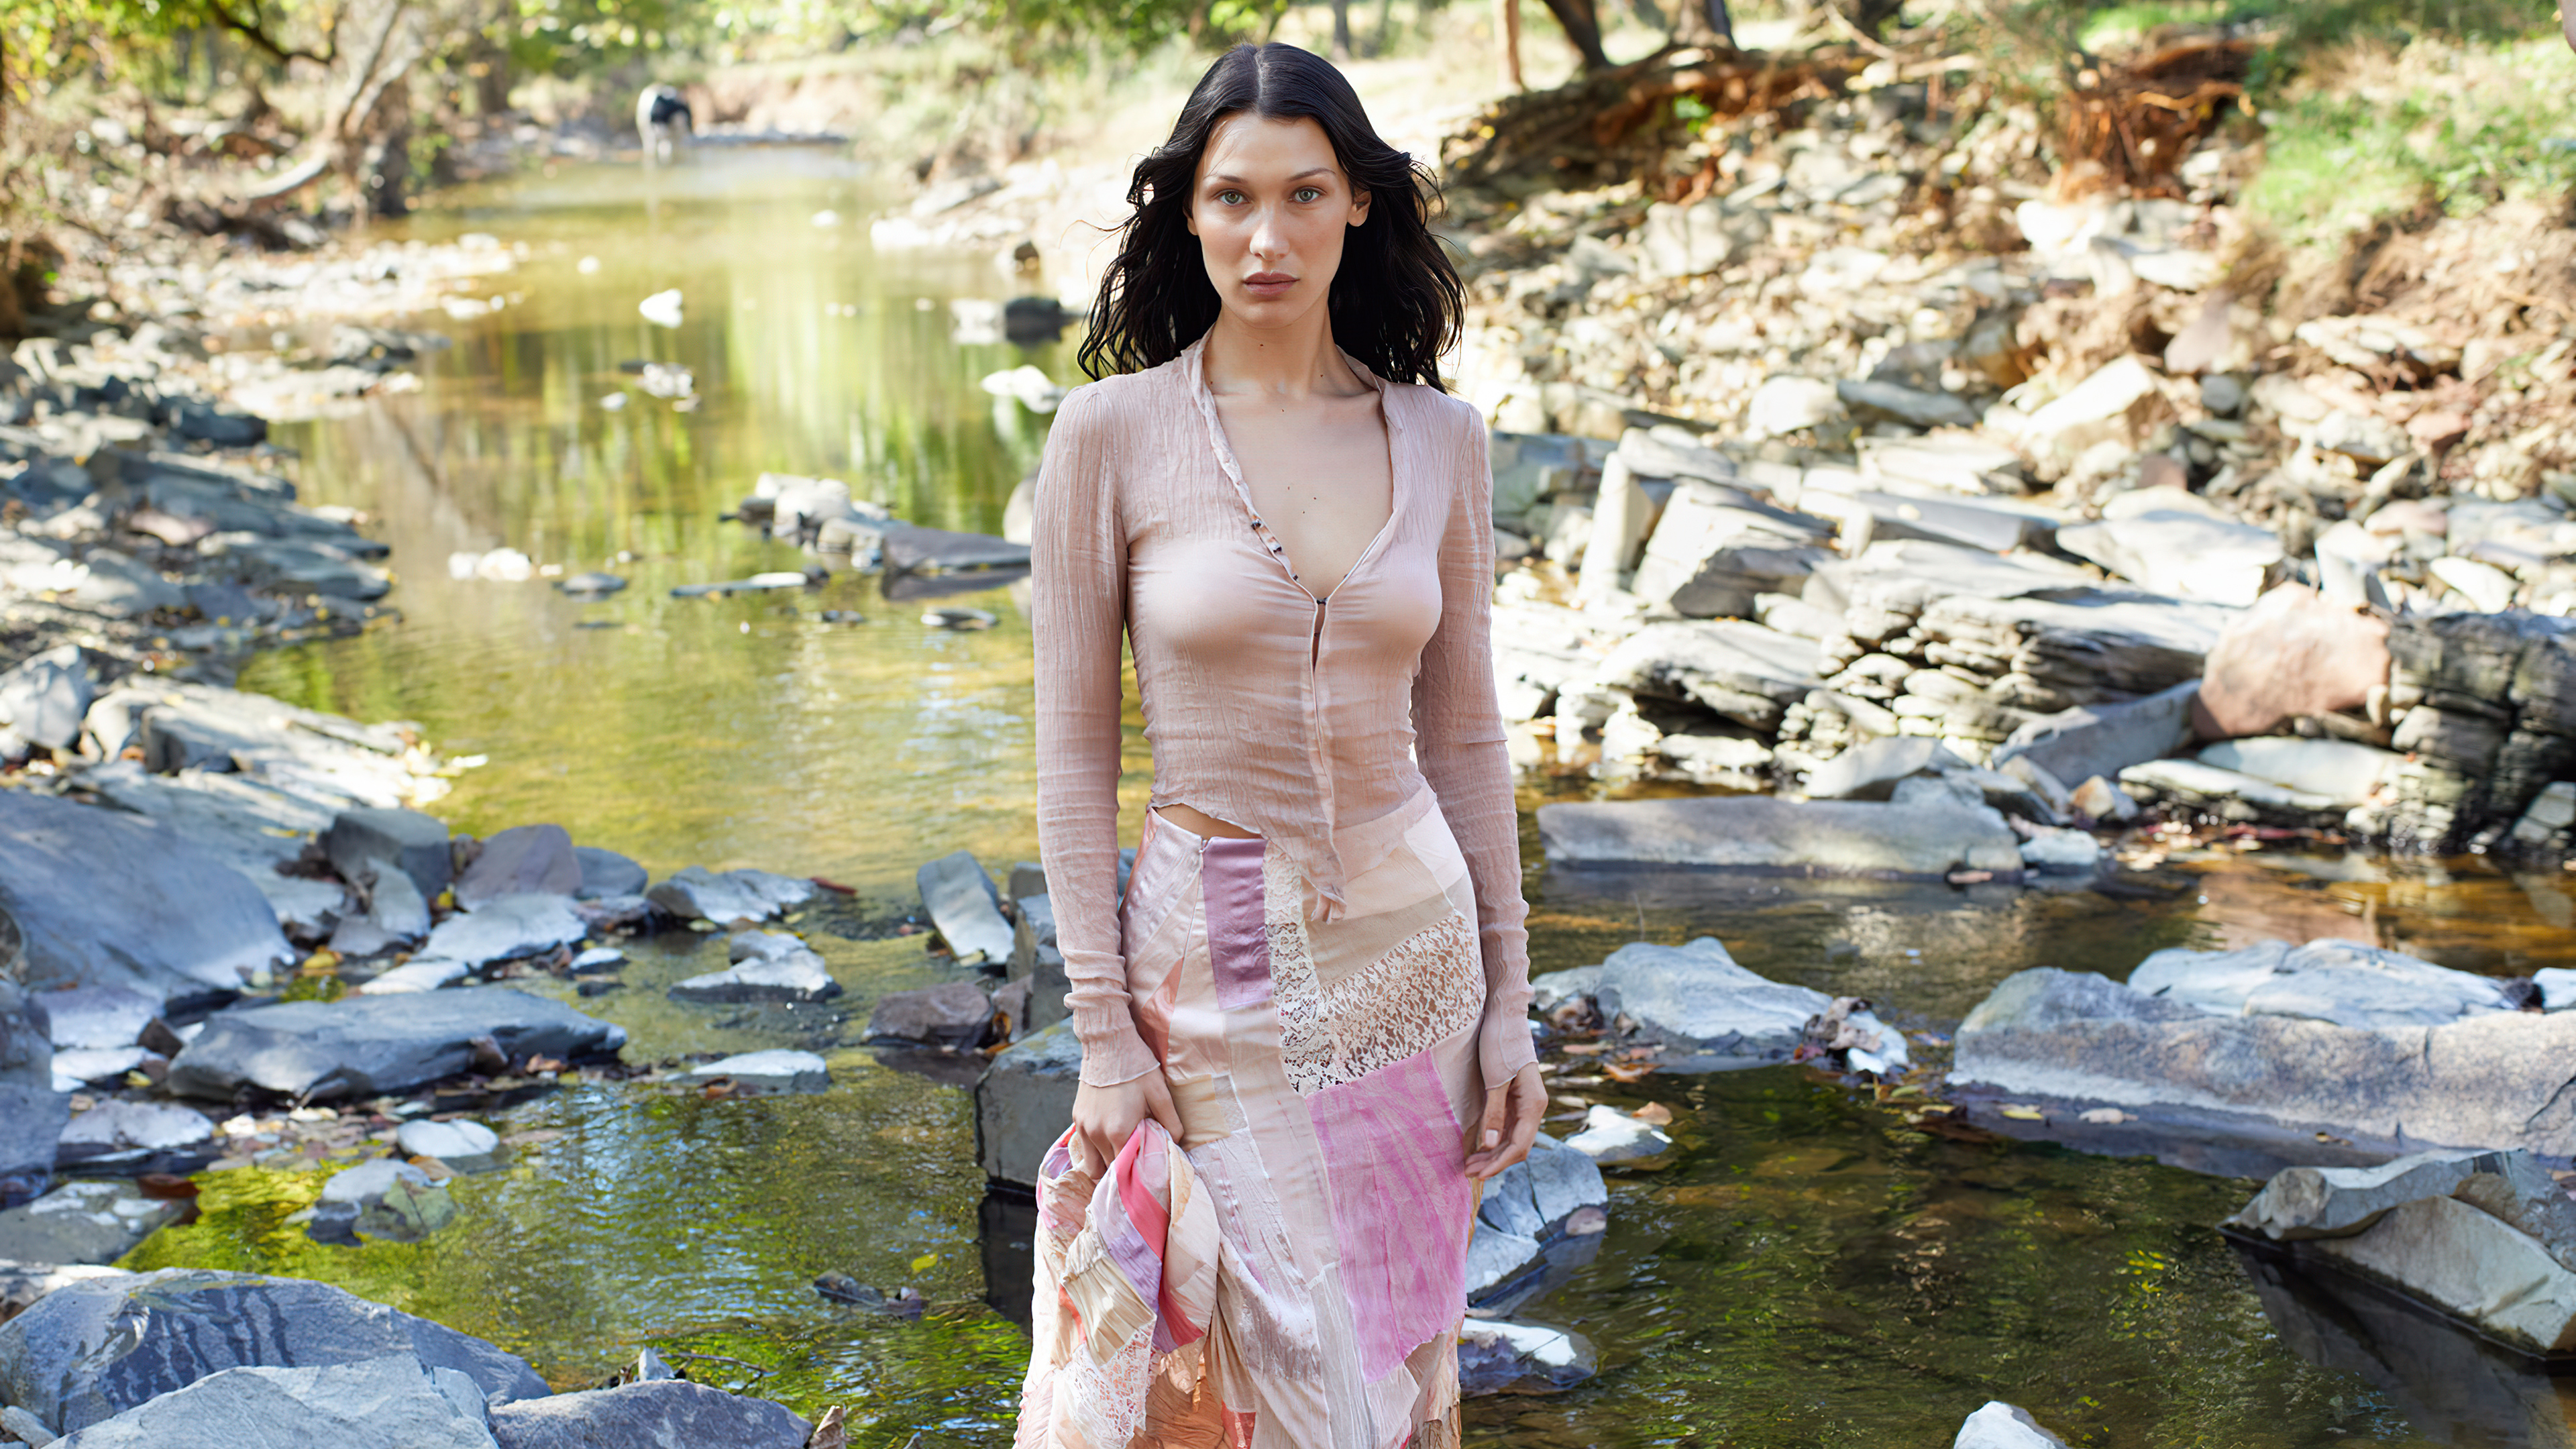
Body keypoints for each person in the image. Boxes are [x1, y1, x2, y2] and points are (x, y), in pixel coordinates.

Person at [1017, 40, 1548, 1449]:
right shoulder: (1108, 435)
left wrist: (1511, 999)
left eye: (1305, 195)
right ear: (1184, 213)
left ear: (1360, 204)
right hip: (1215, 954)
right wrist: (1098, 1029)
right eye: (1232, 197)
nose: (1268, 237)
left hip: (1416, 961)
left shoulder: (1442, 438)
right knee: (1239, 1351)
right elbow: (1073, 757)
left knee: (1384, 1355)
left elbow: (1470, 738)